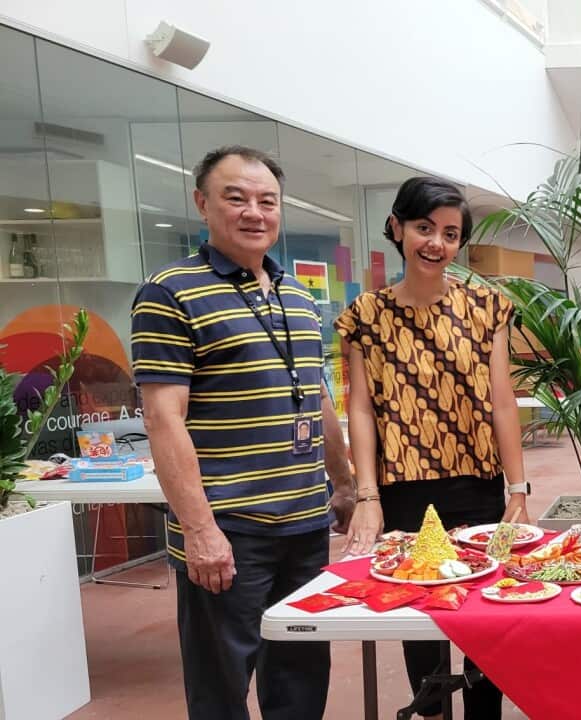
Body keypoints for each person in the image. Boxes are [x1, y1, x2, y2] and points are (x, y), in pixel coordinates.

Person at [132, 145, 356, 720]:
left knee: (302, 671)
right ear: (203, 204)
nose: (254, 212)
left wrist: (344, 483)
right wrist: (200, 531)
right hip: (230, 529)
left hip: (305, 524)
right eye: (236, 198)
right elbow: (164, 420)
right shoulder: (168, 292)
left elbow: (318, 395)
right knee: (221, 683)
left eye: (267, 201)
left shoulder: (300, 296)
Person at [336, 175, 529, 720]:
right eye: (424, 228)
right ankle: (433, 712)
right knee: (418, 619)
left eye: (450, 233)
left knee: (484, 622)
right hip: (403, 492)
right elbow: (362, 410)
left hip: (478, 487)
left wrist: (517, 490)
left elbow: (502, 403)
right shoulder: (365, 316)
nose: (436, 244)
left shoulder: (488, 308)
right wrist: (367, 495)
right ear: (396, 228)